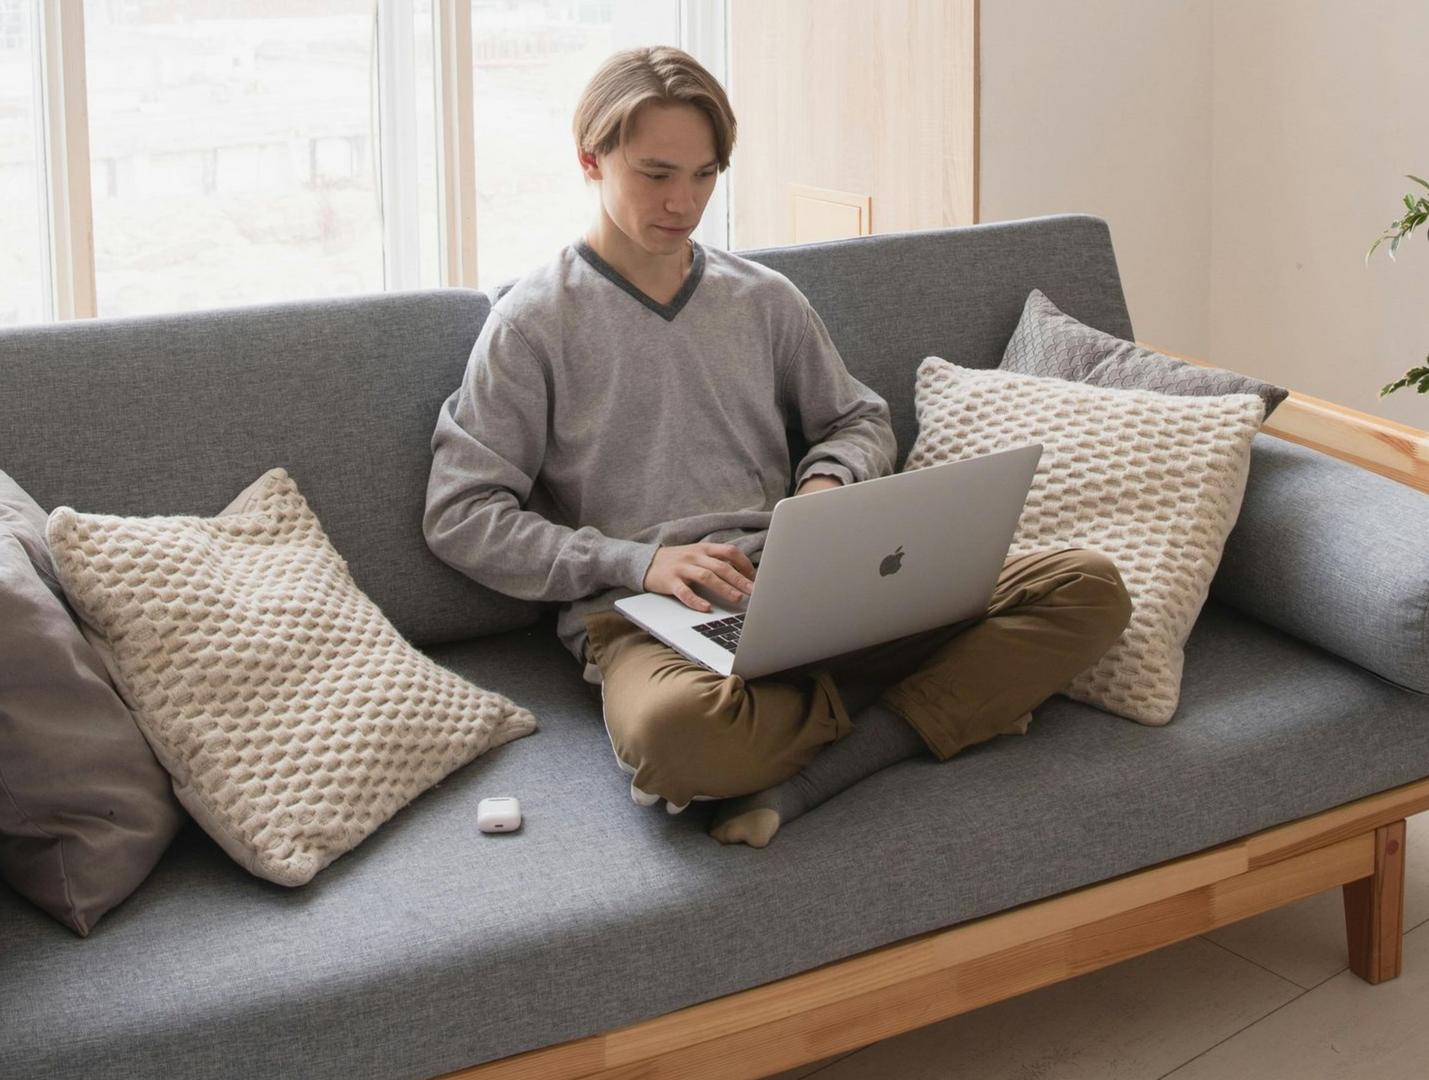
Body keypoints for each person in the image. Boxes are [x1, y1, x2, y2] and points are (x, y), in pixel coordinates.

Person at [423, 45, 1131, 848]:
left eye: (704, 174)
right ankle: (927, 699)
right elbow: (461, 515)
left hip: (808, 583)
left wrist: (826, 491)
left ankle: (824, 766)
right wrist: (637, 563)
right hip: (648, 614)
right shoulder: (532, 323)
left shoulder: (762, 299)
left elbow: (858, 420)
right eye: (657, 174)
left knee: (1089, 587)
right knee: (675, 742)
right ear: (591, 159)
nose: (683, 202)